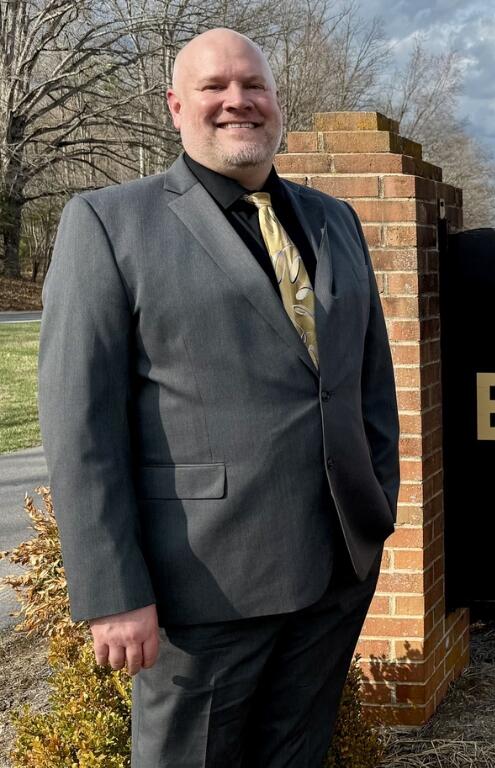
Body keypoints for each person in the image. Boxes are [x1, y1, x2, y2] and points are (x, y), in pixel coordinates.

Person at [38, 27, 400, 767]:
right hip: (199, 591)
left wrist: (378, 502)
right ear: (176, 106)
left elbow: (366, 381)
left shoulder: (334, 221)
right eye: (214, 87)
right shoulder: (109, 224)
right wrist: (111, 590)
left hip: (334, 573)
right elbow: (81, 422)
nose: (238, 101)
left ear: (277, 104)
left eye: (253, 86)